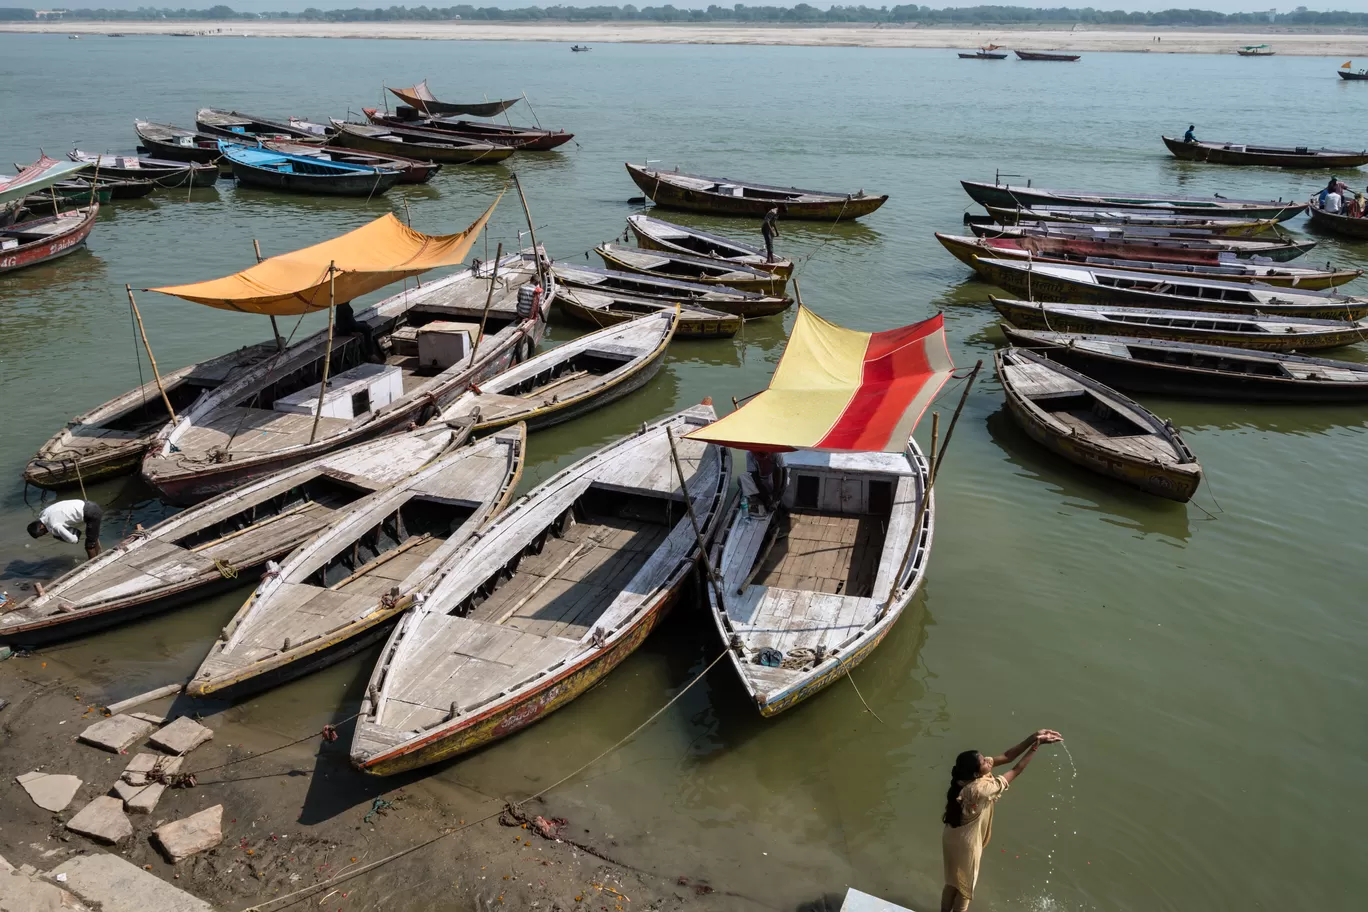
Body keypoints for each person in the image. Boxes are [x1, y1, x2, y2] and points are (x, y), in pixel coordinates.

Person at [941, 729, 1063, 912]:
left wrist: (1034, 737)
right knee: (965, 889)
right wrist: (1035, 748)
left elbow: (1007, 756)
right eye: (983, 761)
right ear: (976, 773)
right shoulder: (980, 789)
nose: (987, 761)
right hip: (966, 844)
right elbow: (1015, 770)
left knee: (952, 882)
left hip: (951, 836)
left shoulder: (964, 777)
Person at [27, 499, 103, 560]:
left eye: (43, 533)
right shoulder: (43, 513)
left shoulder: (54, 525)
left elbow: (74, 540)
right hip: (87, 504)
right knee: (92, 537)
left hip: (92, 513)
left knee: (89, 546)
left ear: (41, 527)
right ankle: (98, 558)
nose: (45, 533)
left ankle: (93, 566)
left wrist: (59, 537)